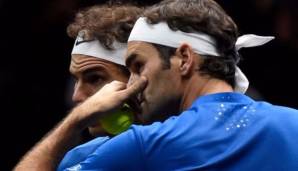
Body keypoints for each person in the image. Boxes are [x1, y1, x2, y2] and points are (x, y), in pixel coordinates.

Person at [14, 0, 298, 170]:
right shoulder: (292, 122)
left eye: (138, 67)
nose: (136, 84)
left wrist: (75, 122)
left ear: (185, 59)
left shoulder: (144, 146)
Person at [13, 3, 143, 171]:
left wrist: (73, 122)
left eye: (95, 78)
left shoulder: (162, 145)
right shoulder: (78, 156)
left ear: (138, 75)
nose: (77, 96)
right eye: (76, 79)